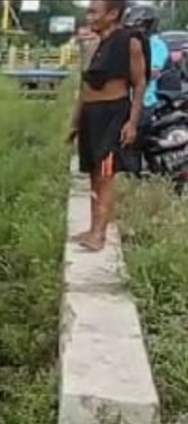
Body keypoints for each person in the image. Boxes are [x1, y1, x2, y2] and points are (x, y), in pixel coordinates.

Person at [67, 0, 147, 252]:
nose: (89, 17)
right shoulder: (95, 43)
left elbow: (140, 83)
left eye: (94, 12)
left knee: (106, 174)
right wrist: (76, 121)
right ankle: (93, 228)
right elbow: (86, 87)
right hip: (91, 116)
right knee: (93, 173)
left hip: (113, 115)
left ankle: (99, 234)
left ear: (113, 14)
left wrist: (132, 123)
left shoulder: (129, 42)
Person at [123, 3, 172, 137]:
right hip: (124, 101)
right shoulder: (128, 42)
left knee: (132, 148)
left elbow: (151, 73)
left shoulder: (157, 45)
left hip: (144, 101)